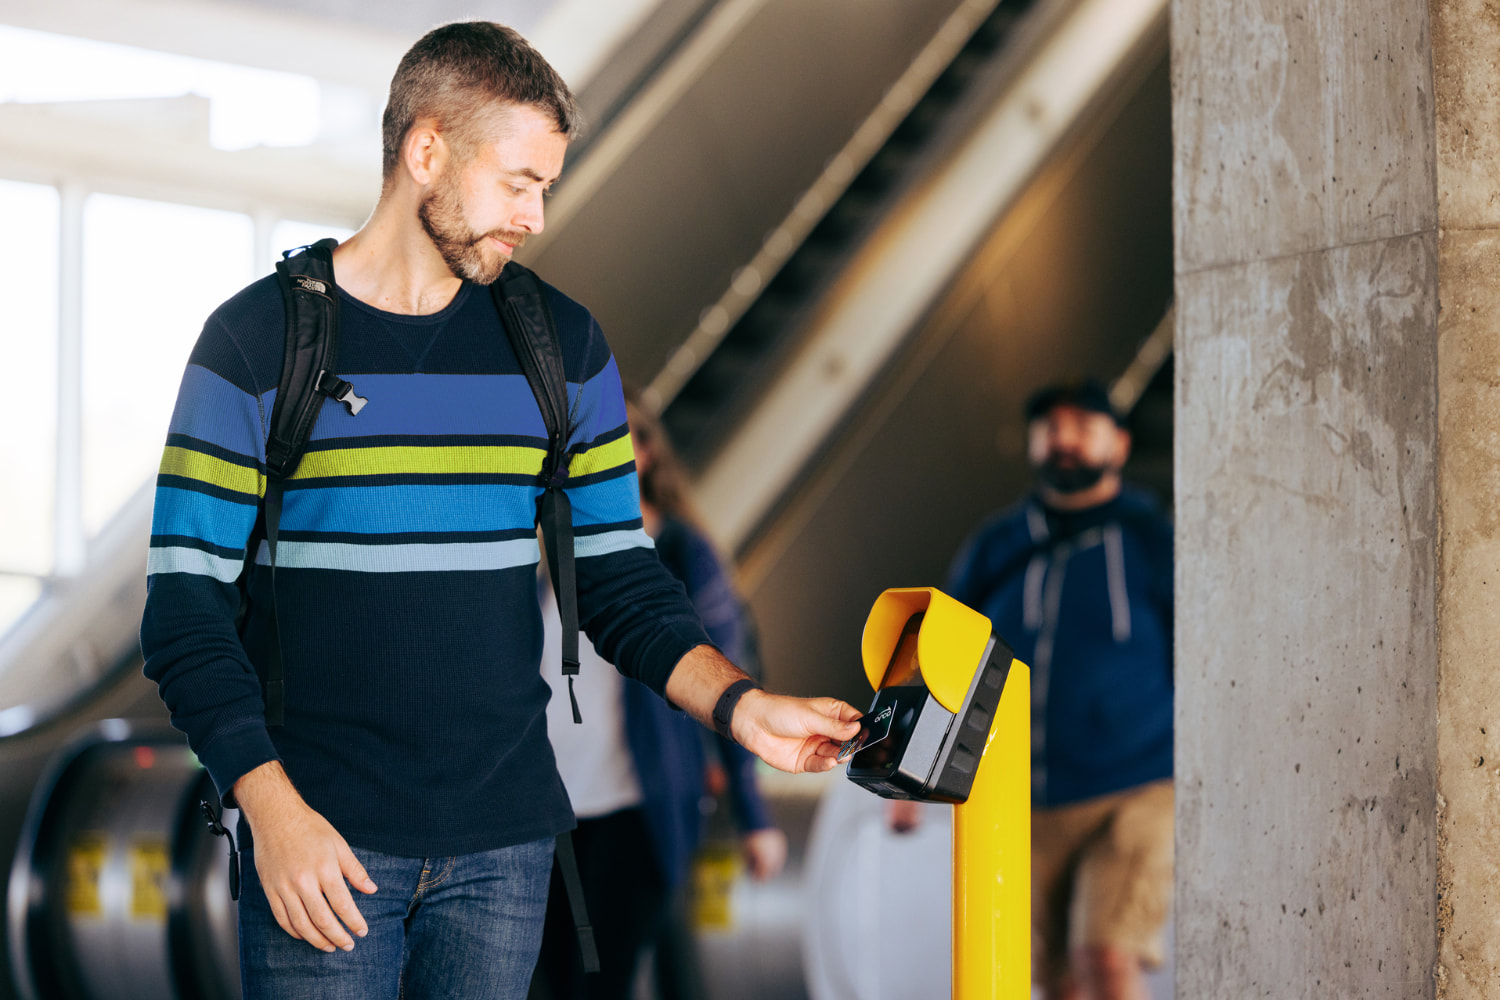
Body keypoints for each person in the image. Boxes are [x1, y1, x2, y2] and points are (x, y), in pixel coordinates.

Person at [139, 22, 860, 999]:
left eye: (547, 187)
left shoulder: (563, 346)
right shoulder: (256, 343)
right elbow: (184, 612)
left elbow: (618, 579)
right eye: (518, 182)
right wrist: (270, 810)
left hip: (506, 850)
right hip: (322, 843)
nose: (536, 216)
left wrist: (740, 705)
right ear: (425, 150)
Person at [531, 393, 785, 1000]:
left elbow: (731, 680)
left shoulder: (680, 551)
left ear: (646, 455)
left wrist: (754, 817)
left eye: (620, 439)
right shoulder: (552, 554)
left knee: (601, 985)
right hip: (549, 815)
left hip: (634, 808)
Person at [945, 379, 1173, 1000]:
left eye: (1084, 426)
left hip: (1135, 788)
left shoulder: (1154, 541)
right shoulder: (997, 544)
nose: (1065, 440)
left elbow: (1202, 650)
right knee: (1054, 981)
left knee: (1105, 954)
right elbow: (943, 652)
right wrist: (913, 768)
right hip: (1022, 794)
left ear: (1120, 445)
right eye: (1051, 427)